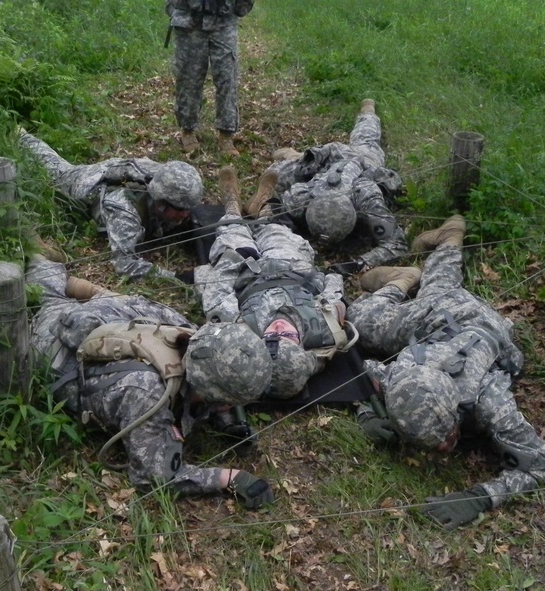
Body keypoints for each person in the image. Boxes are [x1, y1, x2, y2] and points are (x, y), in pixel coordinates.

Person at [346, 215, 545, 530]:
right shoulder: (404, 376)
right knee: (365, 317)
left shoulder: (490, 401)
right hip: (435, 319)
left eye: (445, 440)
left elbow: (538, 466)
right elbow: (364, 371)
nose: (444, 449)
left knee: (430, 292)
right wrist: (367, 413)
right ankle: (428, 256)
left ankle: (420, 264)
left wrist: (481, 496)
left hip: (483, 326)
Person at [26, 254, 273, 508]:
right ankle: (33, 255)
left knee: (53, 288)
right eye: (227, 403)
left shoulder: (195, 339)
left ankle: (46, 263)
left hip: (107, 316)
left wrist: (229, 423)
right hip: (53, 340)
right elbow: (155, 477)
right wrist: (229, 478)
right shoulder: (147, 392)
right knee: (41, 295)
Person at [186, 167, 357, 403]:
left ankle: (232, 203)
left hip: (245, 272)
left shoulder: (243, 330)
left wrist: (233, 260)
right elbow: (334, 289)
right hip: (293, 268)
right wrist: (324, 278)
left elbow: (218, 289)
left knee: (231, 232)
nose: (277, 328)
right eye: (285, 335)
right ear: (301, 345)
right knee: (276, 229)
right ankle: (263, 204)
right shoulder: (324, 328)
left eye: (271, 337)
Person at [244, 99, 407, 275]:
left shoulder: (367, 196)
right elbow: (274, 210)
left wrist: (359, 263)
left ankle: (368, 112)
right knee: (279, 174)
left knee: (367, 138)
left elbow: (396, 244)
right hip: (328, 161)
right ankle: (293, 155)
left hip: (362, 161)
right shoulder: (300, 197)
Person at [20, 129, 203, 280]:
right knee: (54, 167)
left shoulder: (169, 180)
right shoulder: (124, 211)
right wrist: (177, 277)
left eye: (188, 209)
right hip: (85, 183)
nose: (186, 215)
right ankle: (20, 136)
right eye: (179, 210)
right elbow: (125, 265)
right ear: (160, 203)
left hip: (120, 173)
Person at [166, 0, 254, 157]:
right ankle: (187, 130)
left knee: (227, 77)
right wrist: (174, 8)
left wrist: (242, 5)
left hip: (223, 19)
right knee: (189, 77)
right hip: (189, 19)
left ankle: (226, 134)